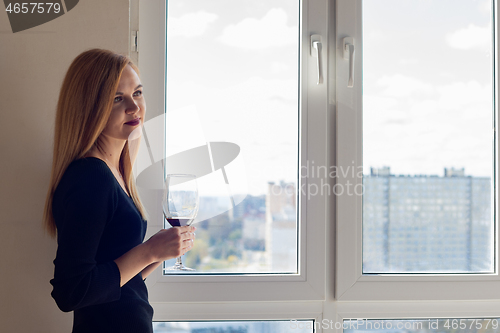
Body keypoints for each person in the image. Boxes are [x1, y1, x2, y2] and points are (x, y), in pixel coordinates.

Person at [43, 48, 195, 333]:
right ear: (89, 107)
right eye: (117, 98)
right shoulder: (91, 176)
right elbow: (71, 291)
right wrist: (149, 251)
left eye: (137, 93)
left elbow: (119, 281)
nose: (134, 107)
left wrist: (158, 253)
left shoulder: (114, 173)